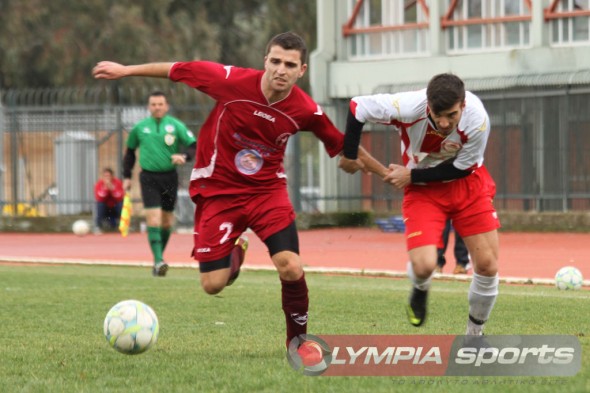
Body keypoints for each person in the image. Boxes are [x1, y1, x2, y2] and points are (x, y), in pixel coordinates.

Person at [93, 32, 384, 347]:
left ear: (301, 71)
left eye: (289, 64)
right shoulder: (230, 81)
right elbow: (177, 69)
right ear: (265, 61)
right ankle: (237, 249)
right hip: (218, 192)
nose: (280, 70)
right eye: (275, 61)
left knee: (290, 265)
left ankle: (298, 343)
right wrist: (126, 70)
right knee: (212, 284)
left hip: (267, 192)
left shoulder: (305, 109)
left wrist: (383, 171)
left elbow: (342, 144)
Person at [339, 73, 500, 336]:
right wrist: (349, 154)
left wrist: (410, 175)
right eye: (438, 114)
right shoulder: (407, 105)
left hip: (468, 184)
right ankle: (421, 288)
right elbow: (358, 107)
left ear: (462, 105)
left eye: (451, 114)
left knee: (487, 265)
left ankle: (474, 335)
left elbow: (461, 168)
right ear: (427, 103)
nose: (444, 122)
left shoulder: (477, 120)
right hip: (424, 193)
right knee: (425, 266)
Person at [122, 91, 197, 277]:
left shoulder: (175, 125)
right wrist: (126, 176)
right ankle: (158, 261)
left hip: (170, 177)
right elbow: (130, 152)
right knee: (153, 219)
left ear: (166, 106)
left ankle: (159, 259)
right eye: (153, 104)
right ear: (149, 107)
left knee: (166, 222)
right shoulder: (140, 128)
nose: (157, 107)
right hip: (148, 177)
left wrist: (184, 156)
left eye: (160, 104)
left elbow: (193, 144)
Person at [94, 167, 125, 232]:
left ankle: (124, 226)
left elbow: (120, 197)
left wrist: (112, 189)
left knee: (121, 204)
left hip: (115, 207)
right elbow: (99, 198)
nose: (107, 178)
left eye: (109, 176)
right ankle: (98, 227)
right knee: (100, 204)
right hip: (105, 208)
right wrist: (105, 189)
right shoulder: (99, 184)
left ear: (112, 176)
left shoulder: (118, 183)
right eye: (105, 176)